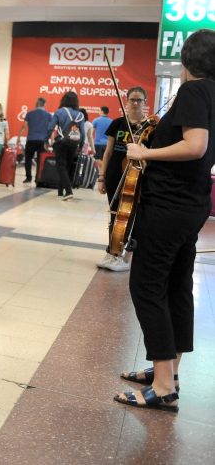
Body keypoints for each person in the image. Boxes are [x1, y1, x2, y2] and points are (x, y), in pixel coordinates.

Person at [114, 29, 215, 414]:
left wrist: (146, 152)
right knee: (176, 287)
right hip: (192, 205)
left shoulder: (192, 91)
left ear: (187, 61)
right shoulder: (213, 94)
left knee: (146, 286)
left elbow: (196, 146)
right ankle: (168, 372)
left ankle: (161, 386)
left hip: (169, 207)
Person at [96, 86, 148, 272]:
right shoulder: (117, 123)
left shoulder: (149, 127)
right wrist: (101, 177)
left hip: (136, 177)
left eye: (139, 100)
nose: (135, 103)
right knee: (115, 214)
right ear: (126, 101)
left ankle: (121, 253)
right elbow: (108, 152)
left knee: (129, 215)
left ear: (145, 102)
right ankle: (112, 252)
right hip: (114, 176)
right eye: (132, 99)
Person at [47, 91, 84, 200]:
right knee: (66, 166)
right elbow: (82, 132)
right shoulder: (80, 114)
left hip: (61, 142)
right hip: (73, 143)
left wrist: (46, 140)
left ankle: (68, 191)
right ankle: (60, 191)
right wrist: (81, 144)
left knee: (61, 166)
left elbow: (50, 127)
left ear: (63, 100)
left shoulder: (59, 112)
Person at [20, 97, 52, 183]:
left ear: (36, 103)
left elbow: (24, 126)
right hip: (42, 141)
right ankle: (38, 178)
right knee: (40, 160)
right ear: (45, 104)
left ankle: (28, 177)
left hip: (31, 139)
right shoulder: (48, 115)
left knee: (28, 159)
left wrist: (19, 137)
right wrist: (51, 142)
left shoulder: (30, 114)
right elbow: (51, 130)